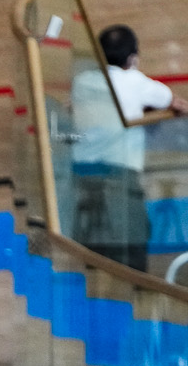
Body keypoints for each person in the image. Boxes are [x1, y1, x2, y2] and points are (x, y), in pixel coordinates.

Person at [70, 24, 188, 270]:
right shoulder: (134, 81)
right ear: (132, 59)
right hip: (119, 177)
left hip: (82, 176)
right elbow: (170, 100)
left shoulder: (81, 82)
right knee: (133, 246)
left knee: (94, 250)